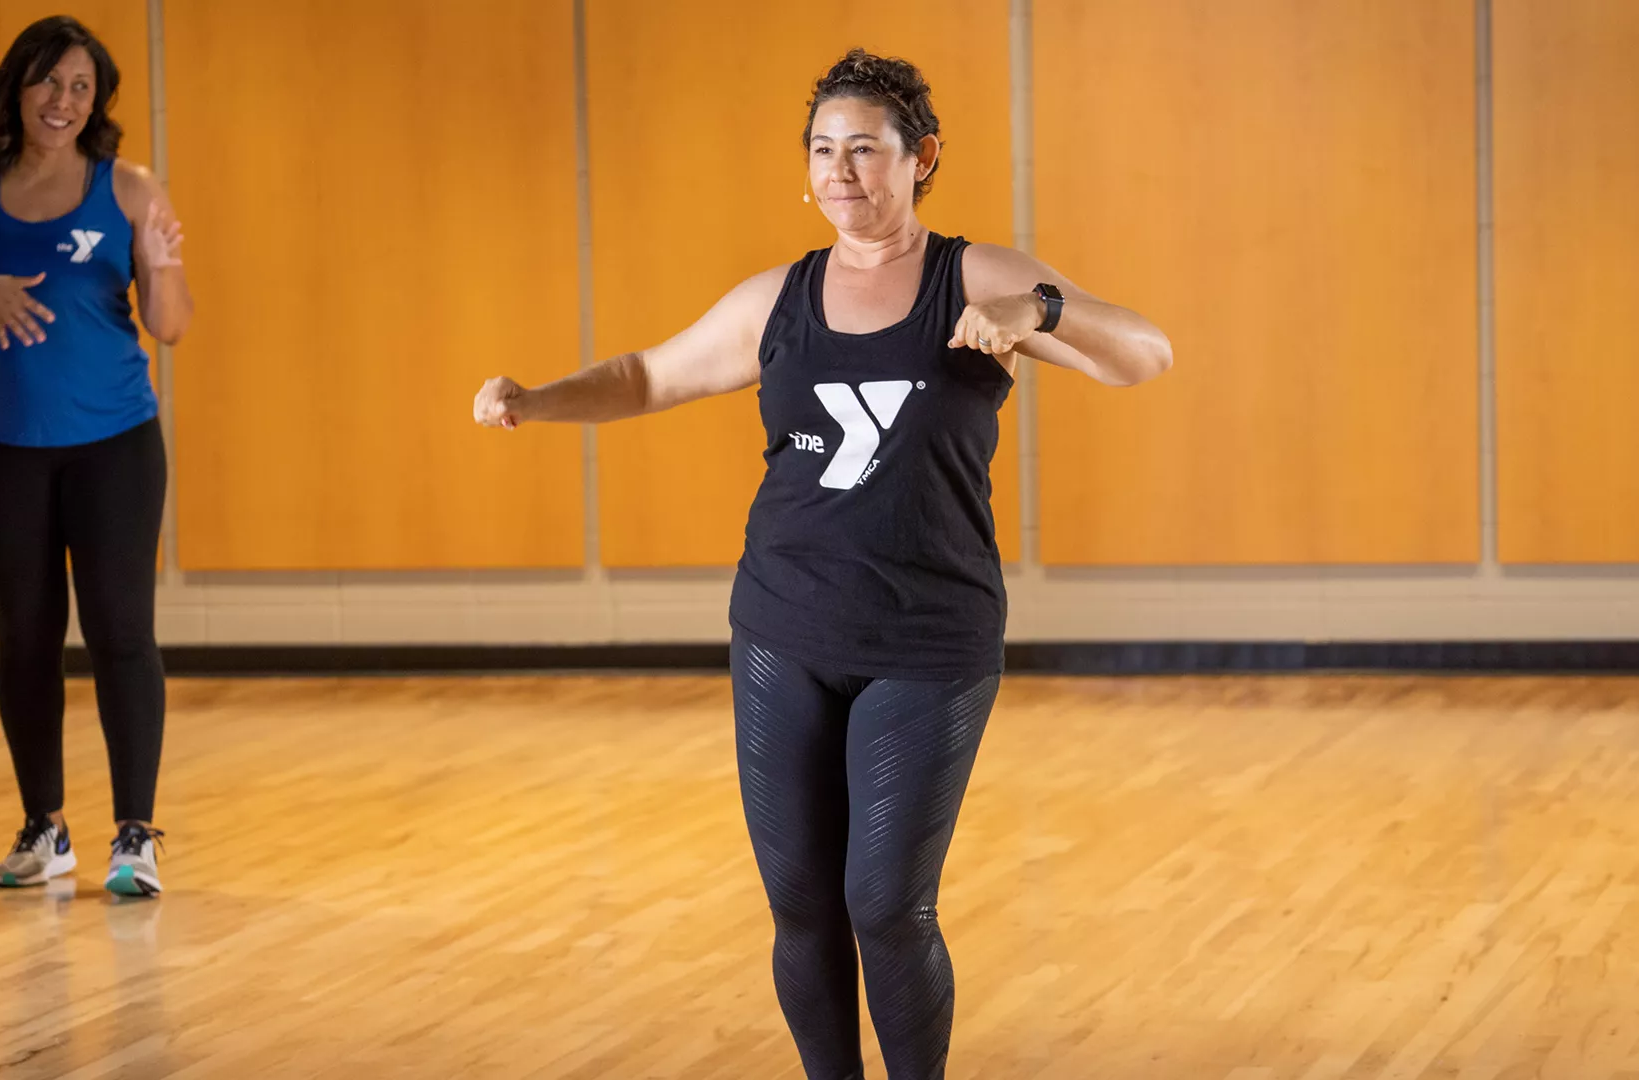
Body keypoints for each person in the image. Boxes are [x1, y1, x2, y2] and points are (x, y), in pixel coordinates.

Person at [474, 48, 1170, 1080]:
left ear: (921, 158)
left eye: (867, 150)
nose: (843, 172)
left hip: (928, 640)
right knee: (802, 904)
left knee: (885, 902)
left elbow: (1145, 354)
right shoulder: (780, 298)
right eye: (824, 151)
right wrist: (536, 398)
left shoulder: (973, 279)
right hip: (784, 627)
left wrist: (1042, 310)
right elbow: (647, 374)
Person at [0, 15, 192, 897]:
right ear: (16, 88)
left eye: (79, 88)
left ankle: (135, 837)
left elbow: (172, 326)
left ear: (95, 102)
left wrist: (159, 263)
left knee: (120, 634)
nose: (62, 102)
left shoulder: (131, 189)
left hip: (114, 446)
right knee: (25, 641)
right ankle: (45, 828)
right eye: (47, 83)